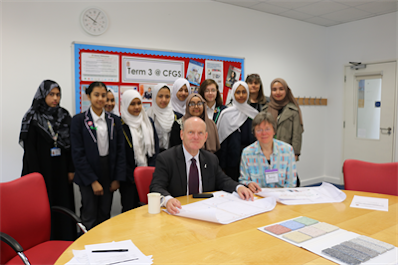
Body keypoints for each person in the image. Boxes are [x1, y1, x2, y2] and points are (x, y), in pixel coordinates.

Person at [150, 117, 254, 214]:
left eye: (200, 133)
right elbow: (156, 187)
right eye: (191, 132)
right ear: (182, 135)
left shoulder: (211, 159)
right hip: (178, 211)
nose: (196, 137)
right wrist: (168, 200)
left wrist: (239, 187)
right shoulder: (166, 158)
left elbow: (223, 180)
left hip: (204, 212)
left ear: (205, 137)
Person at [20, 80, 76, 241]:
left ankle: (66, 239)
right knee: (42, 206)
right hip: (40, 169)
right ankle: (44, 240)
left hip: (61, 170)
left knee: (63, 204)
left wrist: (71, 169)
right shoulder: (32, 117)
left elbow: (72, 146)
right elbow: (29, 150)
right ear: (43, 95)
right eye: (51, 94)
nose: (55, 98)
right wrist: (36, 176)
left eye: (58, 94)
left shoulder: (64, 116)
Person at [71, 81, 125, 231]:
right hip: (87, 172)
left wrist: (117, 179)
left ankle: (103, 249)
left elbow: (120, 150)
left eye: (103, 95)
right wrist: (93, 181)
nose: (100, 99)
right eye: (96, 95)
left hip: (108, 170)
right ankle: (84, 249)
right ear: (88, 96)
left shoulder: (114, 120)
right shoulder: (78, 120)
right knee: (89, 214)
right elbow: (77, 153)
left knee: (104, 214)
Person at [120, 89, 159, 212]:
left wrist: (151, 171)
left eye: (139, 103)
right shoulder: (121, 125)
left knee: (148, 210)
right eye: (132, 104)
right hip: (128, 180)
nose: (137, 107)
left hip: (148, 177)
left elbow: (155, 148)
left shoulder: (148, 122)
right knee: (129, 211)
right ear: (125, 105)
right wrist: (131, 176)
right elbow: (120, 154)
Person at [240, 112, 297, 191]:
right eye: (259, 130)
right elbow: (243, 180)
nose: (264, 133)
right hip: (258, 197)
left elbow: (291, 183)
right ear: (254, 133)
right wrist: (248, 184)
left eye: (267, 129)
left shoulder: (287, 150)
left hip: (282, 196)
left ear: (274, 131)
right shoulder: (247, 153)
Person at [262, 78, 303, 186]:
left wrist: (295, 153)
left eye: (281, 89)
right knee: (271, 180)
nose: (278, 92)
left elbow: (297, 134)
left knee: (290, 181)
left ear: (286, 90)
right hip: (268, 152)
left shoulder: (293, 110)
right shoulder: (265, 109)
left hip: (286, 153)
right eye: (274, 89)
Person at [216, 81, 258, 181]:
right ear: (233, 94)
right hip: (231, 163)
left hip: (251, 161)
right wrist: (222, 166)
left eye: (244, 92)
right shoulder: (226, 114)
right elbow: (222, 142)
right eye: (237, 92)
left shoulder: (253, 114)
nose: (241, 95)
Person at [146, 83, 174, 152]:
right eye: (160, 96)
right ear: (154, 96)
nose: (164, 100)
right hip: (153, 154)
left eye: (167, 96)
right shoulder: (148, 115)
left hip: (171, 154)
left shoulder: (174, 116)